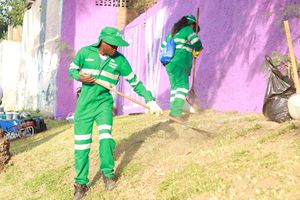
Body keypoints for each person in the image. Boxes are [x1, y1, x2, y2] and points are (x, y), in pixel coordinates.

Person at [69, 26, 163, 199]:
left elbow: (135, 82)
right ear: (103, 42)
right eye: (113, 45)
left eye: (118, 46)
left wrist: (150, 100)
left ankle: (107, 174)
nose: (116, 49)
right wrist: (79, 76)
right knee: (82, 146)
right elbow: (72, 69)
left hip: (104, 104)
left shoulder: (120, 61)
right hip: (84, 106)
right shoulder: (85, 53)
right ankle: (80, 184)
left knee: (106, 138)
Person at [160, 15, 203, 120]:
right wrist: (197, 50)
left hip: (169, 64)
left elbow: (162, 47)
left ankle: (173, 113)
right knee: (183, 87)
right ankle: (176, 113)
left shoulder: (173, 33)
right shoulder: (188, 29)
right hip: (180, 63)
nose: (194, 30)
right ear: (191, 24)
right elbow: (196, 42)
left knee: (175, 88)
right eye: (194, 28)